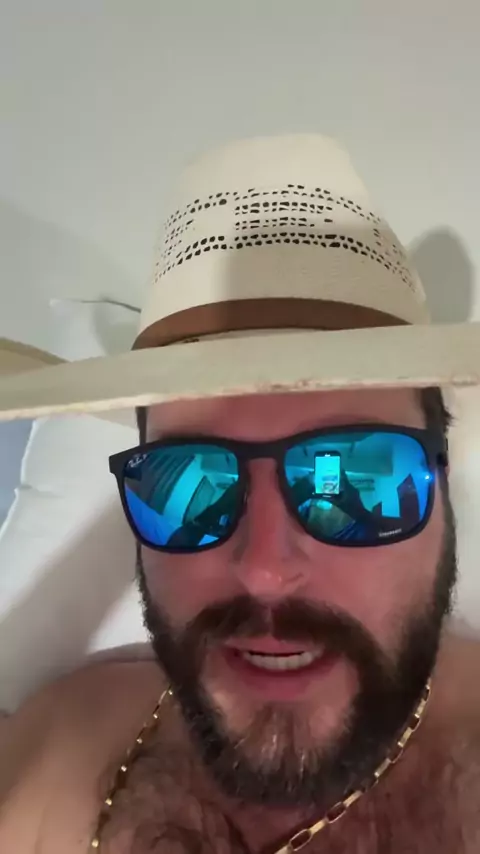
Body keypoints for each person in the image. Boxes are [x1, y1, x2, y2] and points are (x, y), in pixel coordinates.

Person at [1, 134, 480, 853]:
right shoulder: (56, 753)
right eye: (190, 483)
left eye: (354, 478)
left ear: (440, 490)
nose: (263, 570)